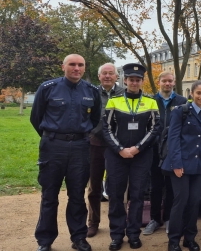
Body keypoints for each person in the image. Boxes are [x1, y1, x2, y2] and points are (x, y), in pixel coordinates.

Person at [31, 54, 102, 251]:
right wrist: (53, 136)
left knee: (77, 196)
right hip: (53, 147)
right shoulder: (48, 88)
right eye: (72, 64)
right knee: (49, 195)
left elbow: (95, 119)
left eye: (80, 65)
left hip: (80, 148)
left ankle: (79, 238)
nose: (76, 68)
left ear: (84, 68)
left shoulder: (91, 91)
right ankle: (45, 241)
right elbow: (36, 117)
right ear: (63, 66)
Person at [102, 63, 161, 250]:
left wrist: (137, 148)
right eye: (131, 79)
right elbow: (106, 128)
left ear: (142, 81)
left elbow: (155, 129)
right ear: (125, 80)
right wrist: (120, 149)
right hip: (116, 155)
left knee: (137, 196)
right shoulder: (115, 101)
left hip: (141, 156)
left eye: (138, 79)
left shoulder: (151, 102)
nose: (134, 82)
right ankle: (117, 235)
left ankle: (134, 234)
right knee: (116, 195)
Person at [161, 80, 201, 251]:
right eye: (199, 93)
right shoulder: (180, 111)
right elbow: (173, 139)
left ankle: (189, 238)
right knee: (180, 201)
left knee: (194, 202)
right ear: (192, 94)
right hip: (180, 164)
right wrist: (176, 163)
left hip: (198, 165)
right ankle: (173, 240)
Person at [144, 72, 187, 236]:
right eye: (164, 81)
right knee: (155, 186)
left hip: (173, 150)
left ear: (174, 83)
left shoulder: (182, 102)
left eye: (170, 81)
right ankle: (155, 219)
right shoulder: (150, 101)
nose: (167, 84)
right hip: (154, 149)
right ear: (159, 82)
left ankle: (169, 218)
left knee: (171, 187)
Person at [87, 63, 125, 238]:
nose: (108, 76)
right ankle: (93, 222)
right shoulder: (91, 93)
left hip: (117, 146)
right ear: (99, 76)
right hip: (95, 144)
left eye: (111, 73)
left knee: (115, 187)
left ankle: (116, 224)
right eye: (105, 74)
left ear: (117, 77)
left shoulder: (124, 94)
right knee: (94, 187)